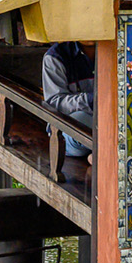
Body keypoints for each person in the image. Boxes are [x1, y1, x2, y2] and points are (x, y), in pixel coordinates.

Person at [41, 40, 94, 183]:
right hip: (73, 133)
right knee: (79, 119)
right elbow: (55, 103)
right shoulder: (55, 57)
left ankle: (102, 153)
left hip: (112, 123)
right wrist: (88, 100)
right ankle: (107, 150)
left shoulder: (116, 48)